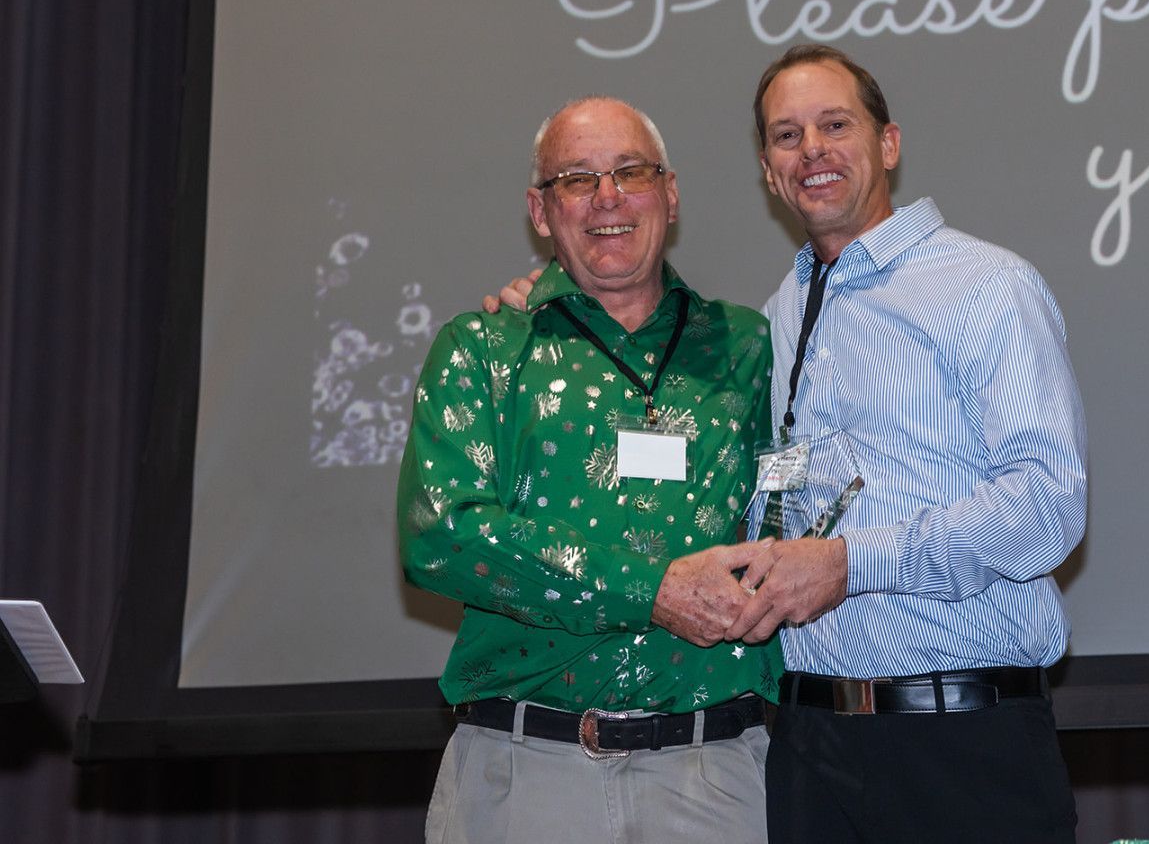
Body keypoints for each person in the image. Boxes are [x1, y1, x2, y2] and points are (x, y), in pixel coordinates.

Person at [397, 96, 781, 844]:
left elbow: (790, 505)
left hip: (715, 776)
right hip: (523, 776)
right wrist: (654, 591)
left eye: (630, 172)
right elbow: (441, 534)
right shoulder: (481, 349)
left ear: (669, 194)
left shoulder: (745, 346)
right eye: (577, 179)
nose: (608, 197)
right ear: (540, 212)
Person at [728, 44, 1087, 843]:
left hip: (960, 742)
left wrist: (852, 562)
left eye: (834, 124)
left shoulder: (984, 286)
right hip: (810, 746)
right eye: (786, 136)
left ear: (887, 143)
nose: (810, 149)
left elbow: (1044, 506)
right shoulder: (782, 311)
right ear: (766, 168)